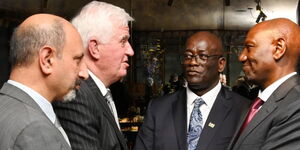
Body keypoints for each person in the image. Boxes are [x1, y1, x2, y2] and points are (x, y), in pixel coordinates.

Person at [135, 31, 250, 150]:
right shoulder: (158, 108)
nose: (192, 62)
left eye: (202, 56)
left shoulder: (242, 110)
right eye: (188, 56)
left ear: (220, 64)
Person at [52, 1, 134, 150]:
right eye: (123, 41)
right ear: (94, 48)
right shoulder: (76, 95)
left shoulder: (100, 91)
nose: (130, 51)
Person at [0, 13, 88, 149]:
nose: (84, 73)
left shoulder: (6, 106)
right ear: (47, 60)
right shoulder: (35, 130)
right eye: (77, 60)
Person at [227, 18, 300, 150]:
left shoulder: (296, 105)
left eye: (249, 47)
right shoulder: (257, 103)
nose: (242, 57)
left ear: (278, 49)